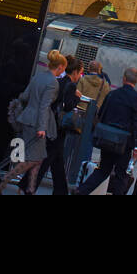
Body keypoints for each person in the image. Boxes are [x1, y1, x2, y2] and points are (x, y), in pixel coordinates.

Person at [0, 50, 64, 194]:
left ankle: (30, 189)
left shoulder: (38, 76)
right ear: (59, 67)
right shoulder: (53, 83)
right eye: (63, 69)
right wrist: (42, 128)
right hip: (37, 123)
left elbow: (25, 96)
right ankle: (6, 179)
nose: (62, 72)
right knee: (33, 159)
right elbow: (44, 107)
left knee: (38, 157)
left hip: (27, 119)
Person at [75, 66, 137, 195]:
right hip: (124, 142)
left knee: (103, 170)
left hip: (108, 138)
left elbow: (102, 114)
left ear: (123, 78)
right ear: (136, 81)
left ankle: (82, 191)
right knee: (120, 174)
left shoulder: (113, 94)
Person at [44, 54, 82, 194]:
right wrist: (77, 98)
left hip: (52, 123)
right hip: (59, 127)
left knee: (56, 159)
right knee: (49, 158)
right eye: (80, 72)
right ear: (75, 72)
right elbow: (68, 106)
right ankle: (28, 185)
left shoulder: (60, 81)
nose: (80, 76)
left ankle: (60, 190)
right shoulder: (71, 85)